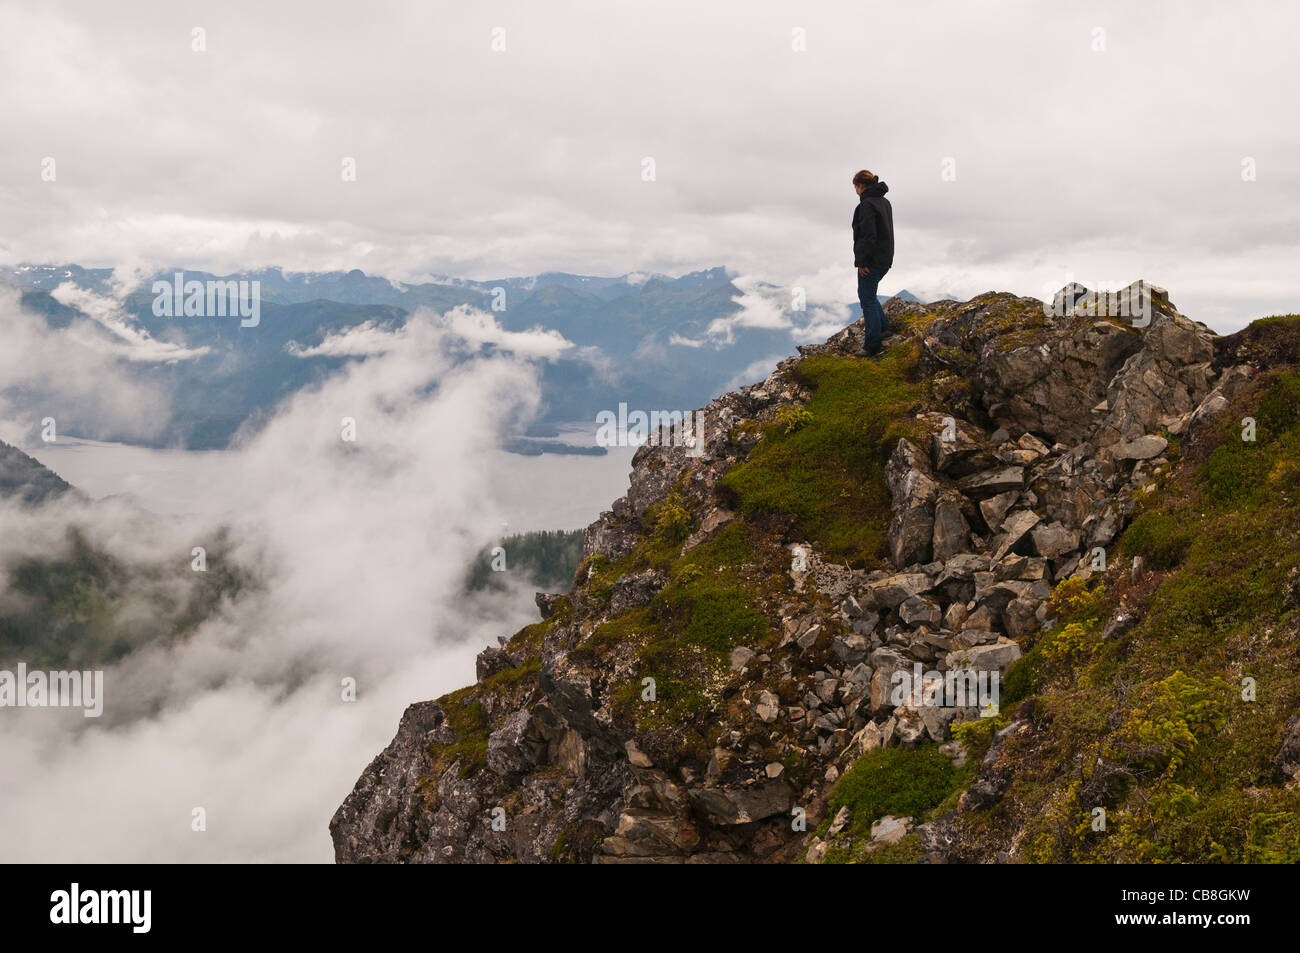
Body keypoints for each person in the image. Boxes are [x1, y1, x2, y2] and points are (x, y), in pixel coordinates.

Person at [851, 169, 894, 357]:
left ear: (860, 186)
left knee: (866, 298)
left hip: (872, 260)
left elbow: (868, 236)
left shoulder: (866, 205)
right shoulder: (884, 202)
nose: (855, 190)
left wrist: (862, 261)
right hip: (885, 258)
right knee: (869, 294)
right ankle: (884, 328)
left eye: (855, 187)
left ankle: (872, 344)